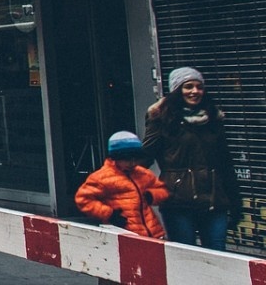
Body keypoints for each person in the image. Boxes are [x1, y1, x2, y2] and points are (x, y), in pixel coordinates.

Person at [143, 66, 241, 250]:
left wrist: (235, 201)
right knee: (185, 255)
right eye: (188, 86)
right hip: (178, 201)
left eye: (199, 87)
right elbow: (146, 155)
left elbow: (225, 163)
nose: (195, 91)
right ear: (177, 90)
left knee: (217, 254)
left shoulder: (213, 118)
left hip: (214, 200)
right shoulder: (161, 118)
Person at [75, 131, 168, 239]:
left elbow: (161, 189)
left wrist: (152, 195)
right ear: (116, 157)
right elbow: (83, 199)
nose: (132, 163)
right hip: (122, 233)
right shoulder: (101, 178)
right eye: (127, 159)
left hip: (152, 232)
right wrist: (109, 214)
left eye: (135, 158)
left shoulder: (143, 173)